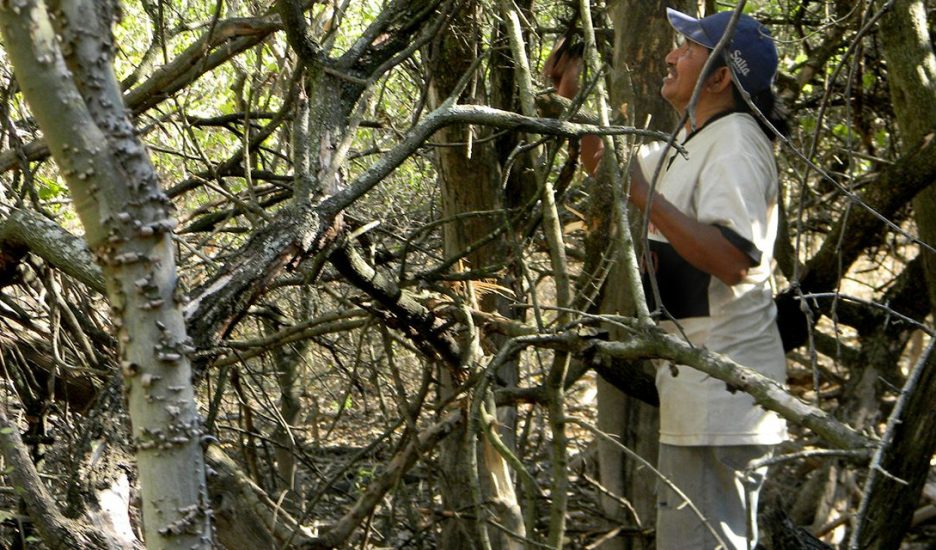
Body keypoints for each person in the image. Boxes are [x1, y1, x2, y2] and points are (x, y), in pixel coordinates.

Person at [546, 8, 789, 549]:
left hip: (724, 396)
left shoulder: (736, 143)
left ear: (721, 77)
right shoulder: (696, 139)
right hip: (700, 397)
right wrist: (566, 93)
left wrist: (643, 198)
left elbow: (734, 258)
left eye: (687, 49)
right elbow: (606, 164)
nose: (670, 55)